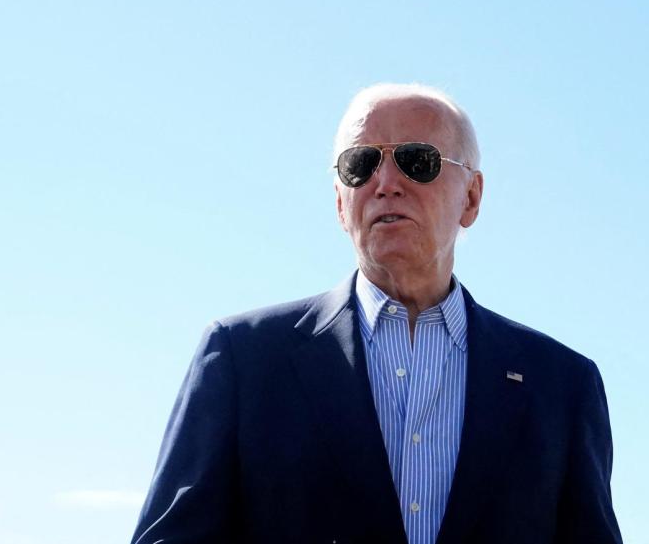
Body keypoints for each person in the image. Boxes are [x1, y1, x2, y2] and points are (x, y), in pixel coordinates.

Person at [132, 84, 623, 544]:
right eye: (360, 164)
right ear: (341, 205)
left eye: (417, 160)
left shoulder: (561, 386)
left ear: (471, 197)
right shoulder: (243, 360)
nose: (386, 183)